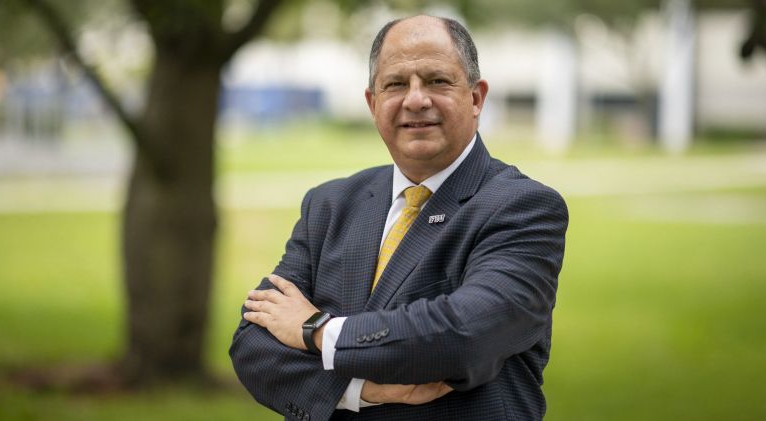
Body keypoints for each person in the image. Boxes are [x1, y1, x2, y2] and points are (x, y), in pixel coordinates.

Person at [230, 15, 568, 421]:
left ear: (476, 98)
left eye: (437, 81)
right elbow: (254, 344)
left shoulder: (522, 207)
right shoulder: (329, 205)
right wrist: (363, 391)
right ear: (373, 104)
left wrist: (316, 330)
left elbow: (464, 335)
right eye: (396, 84)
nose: (415, 99)